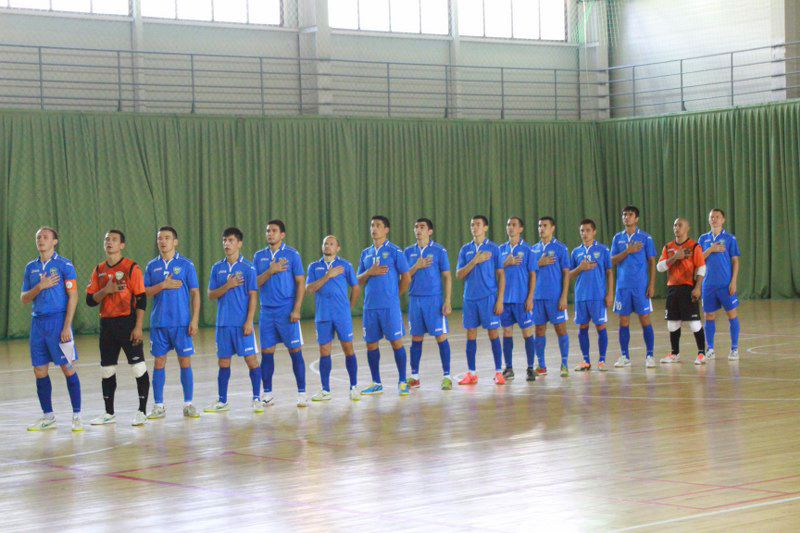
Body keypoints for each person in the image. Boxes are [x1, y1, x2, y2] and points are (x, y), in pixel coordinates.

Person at [86, 229, 150, 426]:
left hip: (128, 323)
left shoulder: (132, 268)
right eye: (106, 239)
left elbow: (141, 299)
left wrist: (138, 326)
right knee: (106, 369)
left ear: (122, 245)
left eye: (114, 239)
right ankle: (109, 413)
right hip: (107, 325)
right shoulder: (98, 270)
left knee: (138, 367)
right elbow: (90, 300)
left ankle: (142, 411)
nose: (109, 242)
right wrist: (106, 290)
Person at [21, 227, 82, 432]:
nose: (41, 240)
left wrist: (67, 326)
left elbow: (73, 295)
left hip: (58, 323)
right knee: (39, 370)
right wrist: (40, 286)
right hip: (38, 324)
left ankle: (77, 415)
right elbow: (24, 298)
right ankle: (48, 416)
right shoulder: (31, 267)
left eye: (45, 237)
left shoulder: (64, 264)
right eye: (38, 237)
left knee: (67, 368)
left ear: (54, 241)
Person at [143, 226, 201, 419]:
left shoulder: (186, 265)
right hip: (159, 323)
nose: (162, 241)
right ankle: (159, 405)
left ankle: (188, 404)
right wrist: (162, 285)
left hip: (181, 323)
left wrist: (194, 319)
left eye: (167, 238)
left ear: (175, 241)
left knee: (185, 362)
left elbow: (195, 293)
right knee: (159, 363)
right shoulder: (152, 266)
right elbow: (144, 293)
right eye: (159, 238)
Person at [205, 227, 262, 414]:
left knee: (252, 361)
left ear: (239, 243)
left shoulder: (248, 267)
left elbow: (253, 296)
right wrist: (227, 285)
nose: (226, 244)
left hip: (241, 324)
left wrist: (249, 321)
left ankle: (256, 398)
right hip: (223, 325)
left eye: (230, 240)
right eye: (224, 241)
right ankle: (222, 401)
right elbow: (211, 295)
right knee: (223, 363)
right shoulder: (217, 268)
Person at [254, 220, 307, 408]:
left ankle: (302, 393)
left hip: (287, 310)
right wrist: (270, 271)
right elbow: (255, 283)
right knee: (267, 352)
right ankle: (267, 393)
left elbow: (301, 282)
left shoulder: (292, 255)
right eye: (267, 230)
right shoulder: (259, 256)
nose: (270, 234)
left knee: (295, 351)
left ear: (282, 235)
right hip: (267, 311)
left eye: (274, 231)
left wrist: (297, 308)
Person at [357, 215, 412, 396]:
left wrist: (395, 295)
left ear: (386, 230)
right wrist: (369, 272)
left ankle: (403, 381)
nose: (374, 228)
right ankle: (376, 382)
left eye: (378, 225)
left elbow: (406, 277)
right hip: (370, 307)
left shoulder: (395, 251)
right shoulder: (365, 254)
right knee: (371, 345)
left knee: (396, 343)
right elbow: (358, 281)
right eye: (372, 225)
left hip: (390, 307)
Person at [306, 235, 361, 401]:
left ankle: (354, 387)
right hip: (323, 316)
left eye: (331, 244)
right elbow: (309, 289)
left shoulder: (345, 266)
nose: (327, 246)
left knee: (348, 348)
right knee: (324, 351)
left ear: (338, 248)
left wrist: (348, 308)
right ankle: (325, 390)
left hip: (341, 316)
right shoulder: (314, 267)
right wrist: (327, 276)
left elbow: (356, 288)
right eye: (325, 243)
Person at [404, 218, 454, 390]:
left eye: (422, 227)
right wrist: (416, 266)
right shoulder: (408, 252)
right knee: (416, 338)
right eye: (416, 227)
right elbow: (405, 277)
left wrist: (447, 301)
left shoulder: (439, 250)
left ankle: (447, 376)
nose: (418, 230)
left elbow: (447, 276)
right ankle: (415, 376)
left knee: (441, 337)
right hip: (415, 300)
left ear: (430, 231)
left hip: (434, 300)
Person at [455, 215, 506, 385]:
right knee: (471, 334)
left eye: (478, 224)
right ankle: (472, 373)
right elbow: (459, 274)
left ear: (485, 228)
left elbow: (501, 275)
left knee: (493, 333)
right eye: (472, 224)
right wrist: (474, 261)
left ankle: (499, 372)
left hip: (489, 298)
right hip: (470, 299)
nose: (474, 227)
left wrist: (500, 299)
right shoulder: (465, 250)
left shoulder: (494, 249)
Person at [610, 206, 657, 368]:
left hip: (640, 287)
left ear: (636, 218)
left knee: (645, 319)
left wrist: (651, 284)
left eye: (630, 215)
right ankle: (624, 356)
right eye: (624, 215)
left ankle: (650, 355)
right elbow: (611, 261)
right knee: (623, 321)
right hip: (622, 287)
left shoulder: (645, 238)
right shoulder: (617, 238)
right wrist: (627, 251)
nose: (626, 217)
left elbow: (652, 261)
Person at [658, 218, 707, 365]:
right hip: (673, 289)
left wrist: (698, 287)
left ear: (687, 228)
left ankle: (701, 353)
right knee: (672, 323)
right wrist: (674, 257)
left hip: (688, 288)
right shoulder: (668, 247)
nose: (676, 228)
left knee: (694, 323)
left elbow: (701, 268)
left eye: (680, 225)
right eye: (674, 225)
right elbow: (660, 267)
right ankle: (674, 353)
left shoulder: (694, 247)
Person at [569, 219, 614, 372]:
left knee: (601, 326)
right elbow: (569, 275)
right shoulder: (576, 252)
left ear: (594, 232)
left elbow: (609, 272)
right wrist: (580, 268)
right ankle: (586, 360)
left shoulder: (603, 250)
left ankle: (602, 360)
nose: (585, 233)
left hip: (597, 296)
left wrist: (610, 293)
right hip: (581, 296)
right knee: (583, 327)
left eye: (588, 230)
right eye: (582, 230)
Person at [697, 208, 741, 361]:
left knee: (732, 314)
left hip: (725, 284)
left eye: (717, 217)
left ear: (723, 220)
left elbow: (735, 261)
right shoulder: (703, 239)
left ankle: (734, 349)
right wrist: (711, 249)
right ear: (709, 220)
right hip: (708, 285)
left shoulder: (730, 238)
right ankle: (710, 349)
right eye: (712, 217)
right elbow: (698, 260)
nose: (714, 219)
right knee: (709, 316)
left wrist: (733, 281)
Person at [498, 217, 538, 382]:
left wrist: (530, 297)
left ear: (521, 229)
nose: (510, 228)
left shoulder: (528, 250)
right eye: (508, 225)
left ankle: (530, 368)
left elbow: (533, 275)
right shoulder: (500, 250)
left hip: (522, 300)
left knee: (527, 333)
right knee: (507, 333)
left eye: (514, 225)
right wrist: (505, 263)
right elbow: (496, 274)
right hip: (505, 300)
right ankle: (509, 368)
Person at [530, 217, 571, 377]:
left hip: (555, 297)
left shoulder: (561, 248)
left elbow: (566, 273)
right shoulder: (533, 250)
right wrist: (539, 263)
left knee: (560, 329)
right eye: (539, 225)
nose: (541, 228)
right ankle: (541, 365)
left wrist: (564, 296)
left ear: (552, 228)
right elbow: (529, 272)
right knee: (539, 329)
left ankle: (565, 364)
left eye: (545, 226)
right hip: (537, 297)